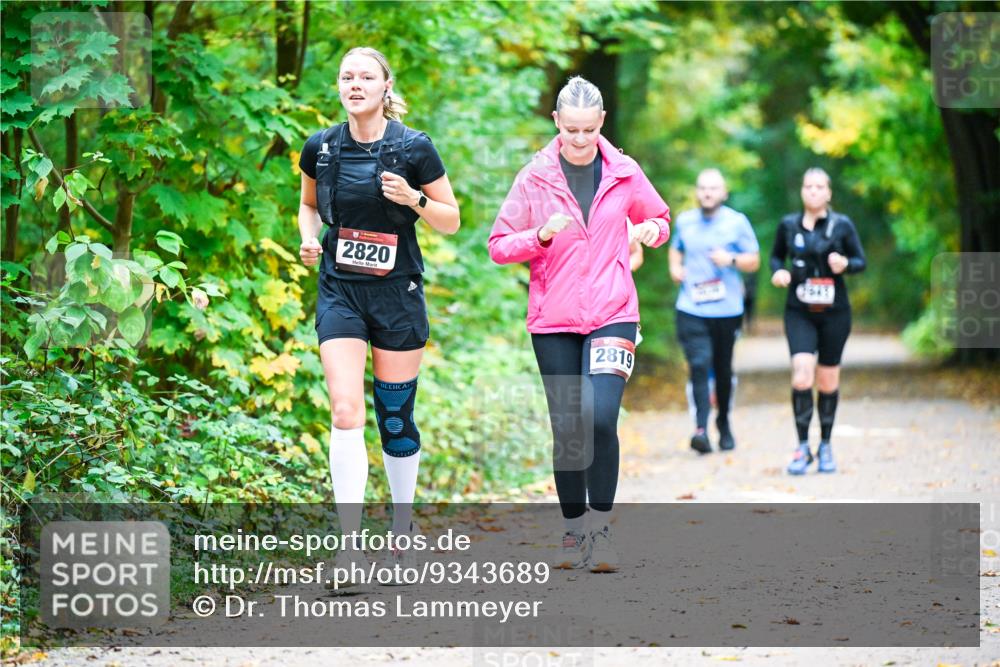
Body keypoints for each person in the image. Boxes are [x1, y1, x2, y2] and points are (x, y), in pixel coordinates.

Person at [489, 76, 670, 573]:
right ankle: (573, 532)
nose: (580, 140)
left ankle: (603, 530)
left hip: (614, 311)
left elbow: (659, 219)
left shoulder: (625, 171)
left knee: (600, 417)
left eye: (589, 130)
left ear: (602, 123)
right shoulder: (535, 176)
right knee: (569, 427)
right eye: (571, 130)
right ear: (556, 123)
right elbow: (499, 245)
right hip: (553, 319)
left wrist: (652, 230)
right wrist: (540, 235)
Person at [297, 47, 460, 583]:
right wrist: (307, 239)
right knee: (345, 410)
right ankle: (348, 551)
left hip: (397, 292)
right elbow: (307, 205)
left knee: (394, 418)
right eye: (347, 77)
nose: (355, 84)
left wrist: (413, 198)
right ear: (338, 87)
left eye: (366, 76)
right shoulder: (320, 147)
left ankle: (402, 528)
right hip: (340, 290)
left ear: (385, 85)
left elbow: (451, 220)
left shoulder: (414, 147)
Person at [770, 168, 865, 475]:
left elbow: (860, 261)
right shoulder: (788, 225)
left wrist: (845, 264)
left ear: (828, 192)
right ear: (802, 191)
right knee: (801, 375)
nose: (813, 191)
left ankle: (825, 445)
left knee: (827, 381)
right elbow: (775, 257)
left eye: (819, 186)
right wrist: (779, 272)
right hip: (799, 311)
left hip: (835, 313)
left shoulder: (842, 226)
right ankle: (801, 448)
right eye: (808, 186)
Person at [669, 169, 759, 453]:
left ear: (724, 193)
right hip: (691, 307)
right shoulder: (685, 221)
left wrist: (730, 258)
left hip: (727, 309)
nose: (707, 193)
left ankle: (723, 422)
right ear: (697, 192)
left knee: (722, 369)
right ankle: (700, 429)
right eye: (703, 188)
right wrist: (675, 268)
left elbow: (754, 261)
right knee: (698, 364)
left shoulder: (737, 222)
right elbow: (676, 249)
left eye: (713, 188)